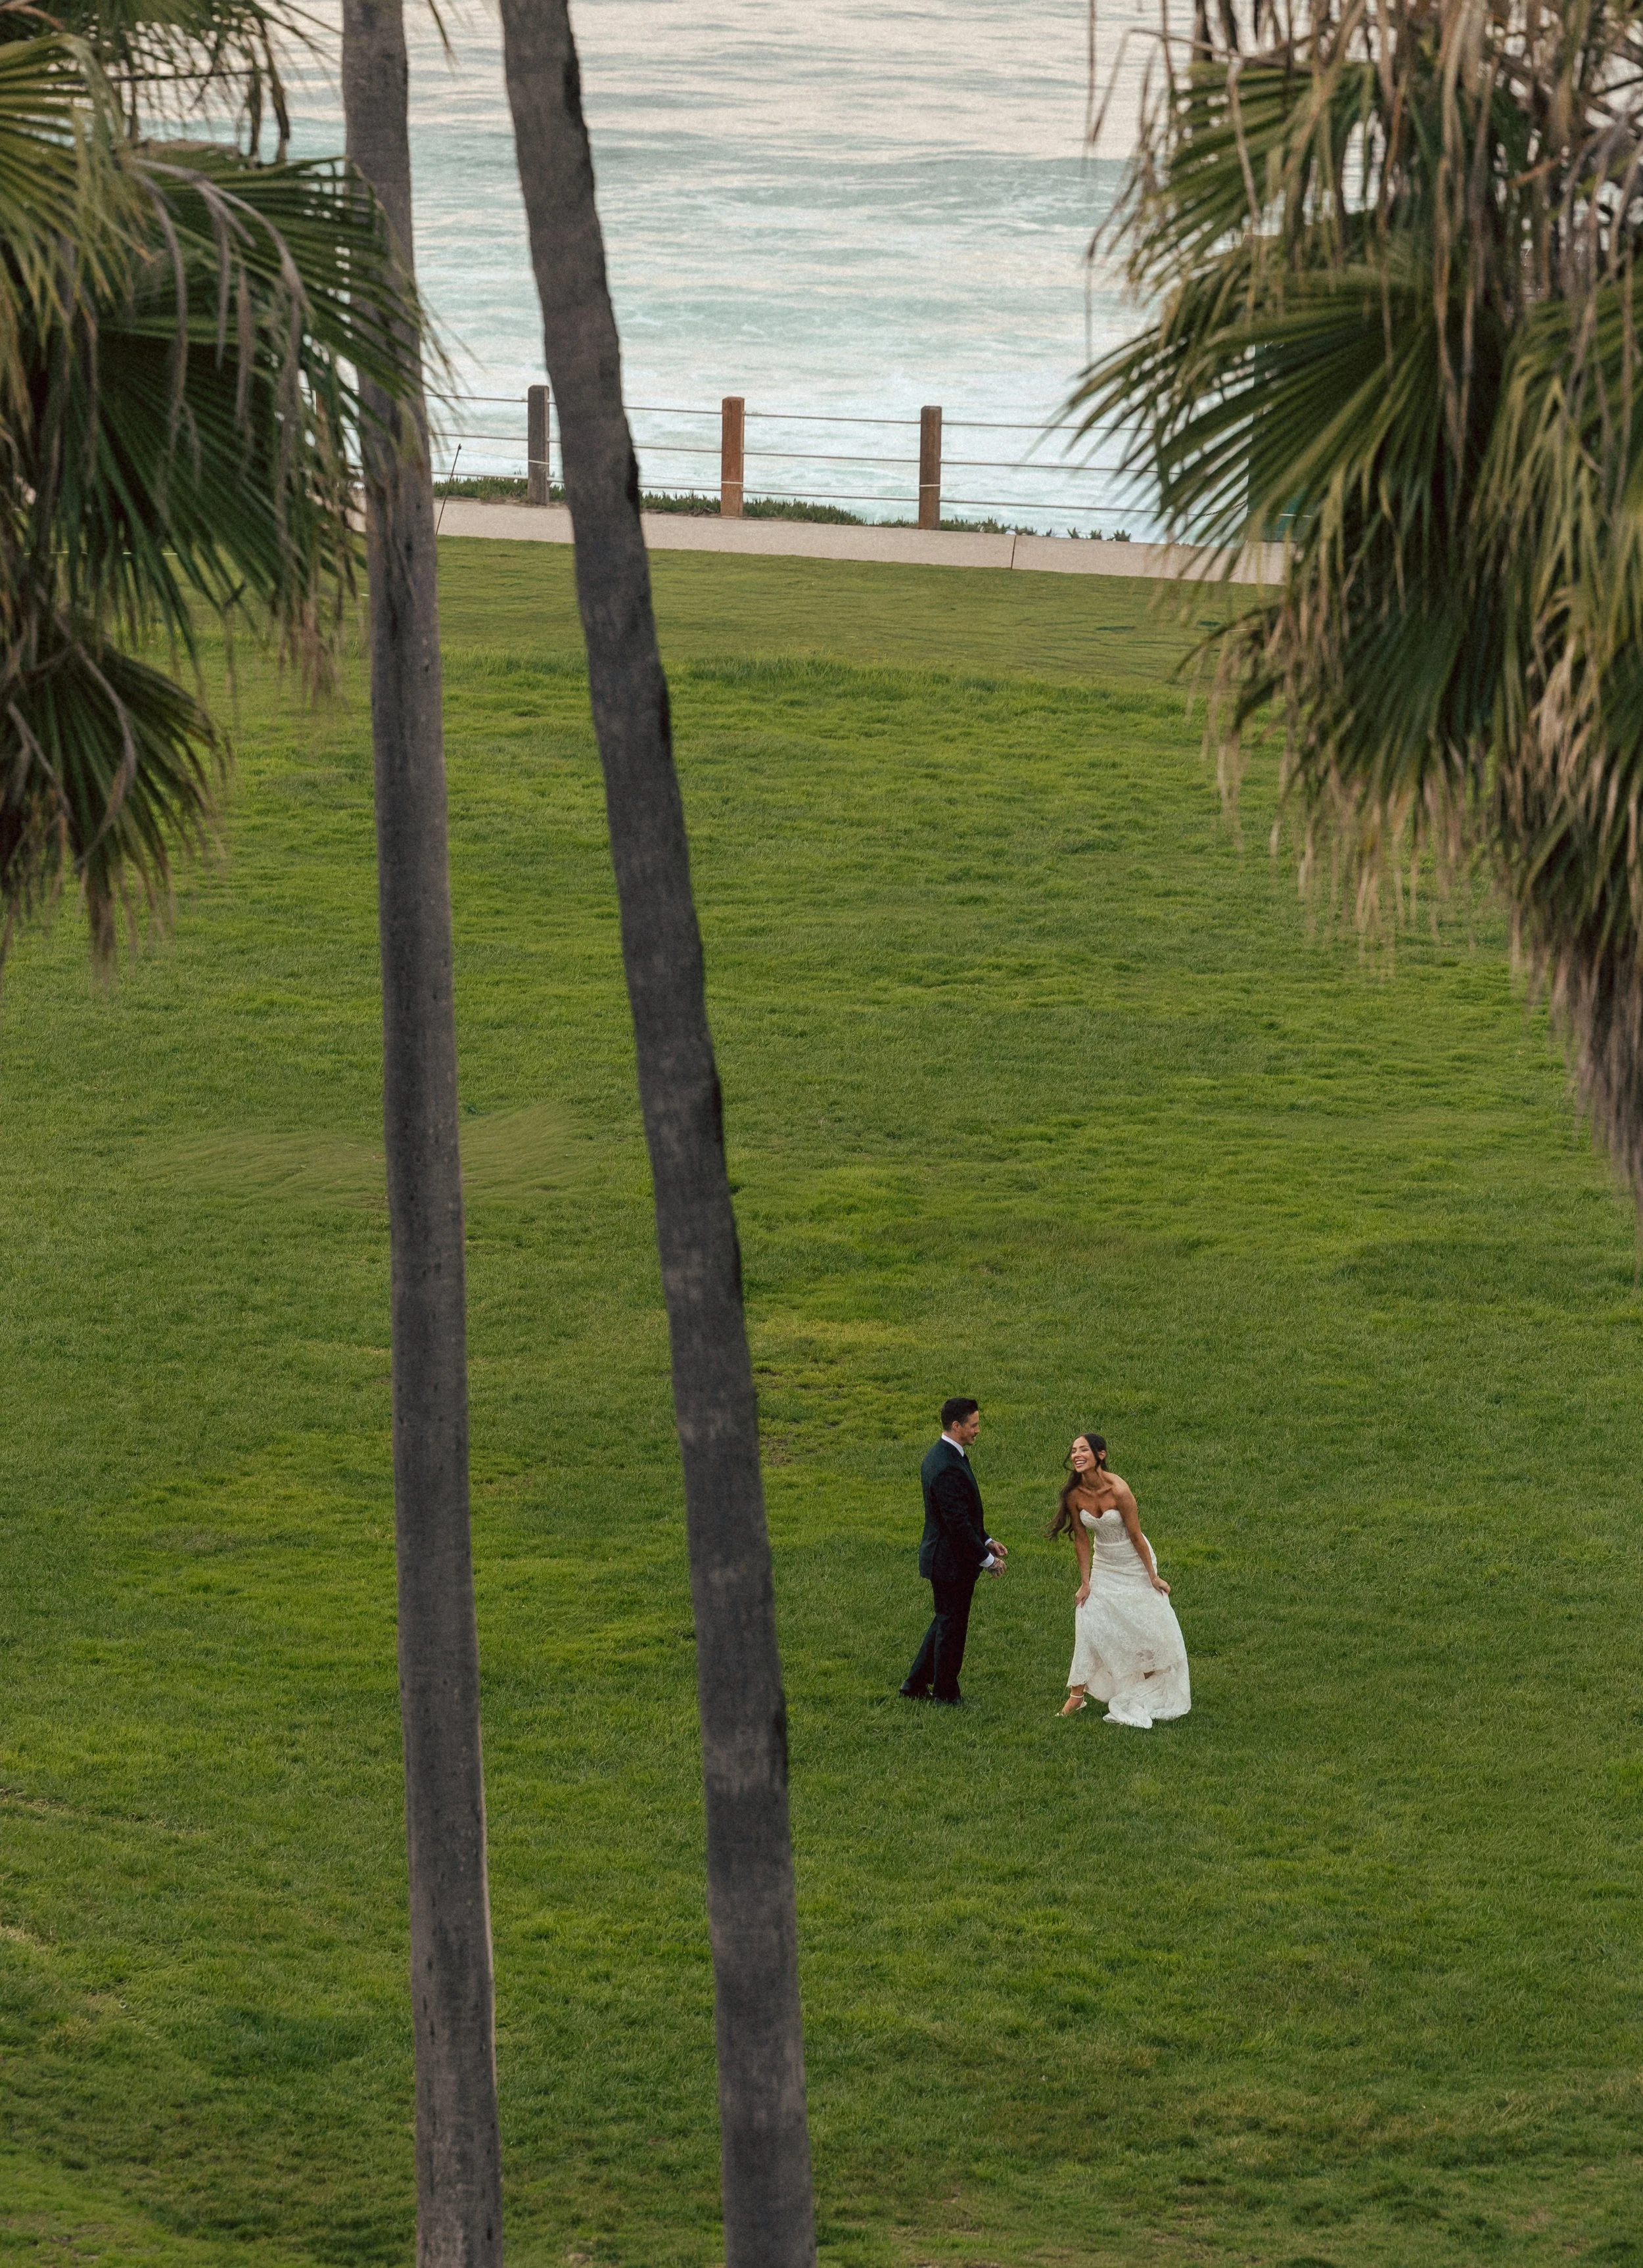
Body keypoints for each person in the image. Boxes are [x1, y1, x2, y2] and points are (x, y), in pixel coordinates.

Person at [1051, 1431, 1190, 1728]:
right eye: (1073, 1450)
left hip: (1133, 1562)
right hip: (1104, 1564)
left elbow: (1136, 1536)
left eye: (1083, 1450)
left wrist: (1153, 1577)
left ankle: (1150, 1681)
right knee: (1087, 1615)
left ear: (1100, 1455)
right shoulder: (1074, 1495)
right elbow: (1081, 1539)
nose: (1077, 1455)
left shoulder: (1120, 1491)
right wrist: (1086, 1582)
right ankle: (1077, 1695)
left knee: (1143, 1621)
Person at [900, 1397, 1007, 1705]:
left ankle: (915, 1684)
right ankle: (945, 1694)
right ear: (956, 1426)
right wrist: (988, 1560)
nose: (978, 1430)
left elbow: (963, 1512)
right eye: (974, 1425)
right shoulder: (947, 1465)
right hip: (950, 1564)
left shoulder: (945, 1455)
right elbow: (956, 1524)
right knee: (952, 1628)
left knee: (945, 1621)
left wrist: (986, 1540)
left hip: (947, 1560)